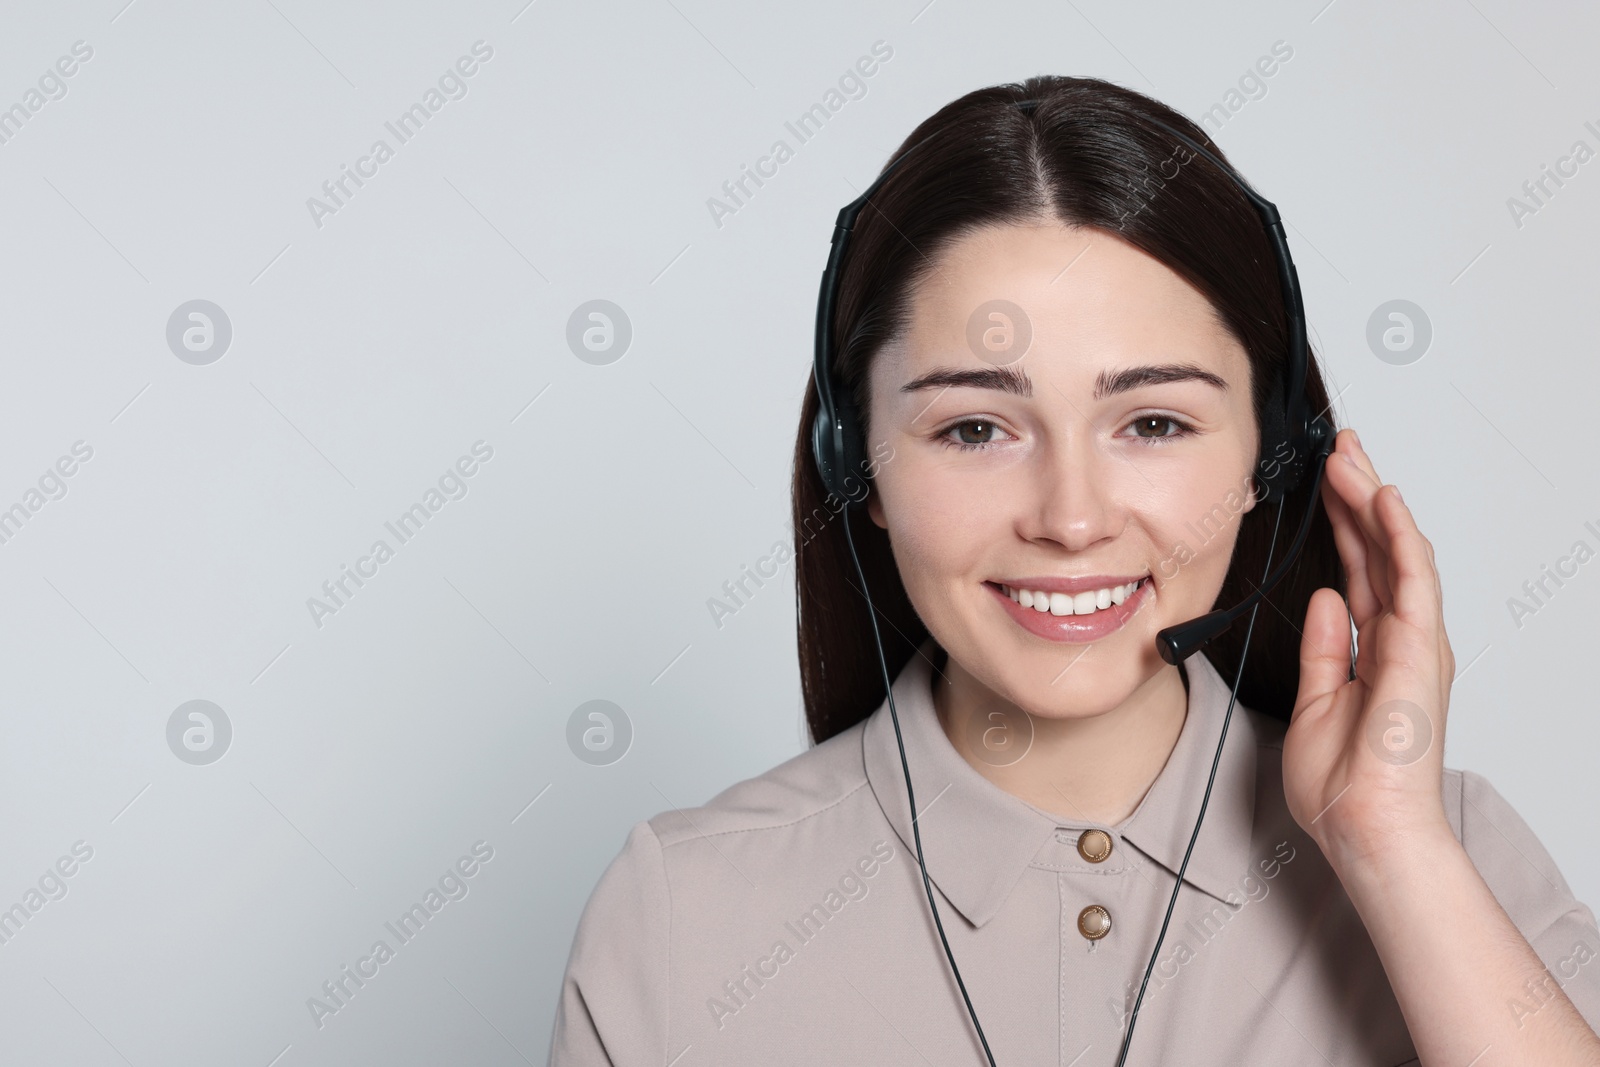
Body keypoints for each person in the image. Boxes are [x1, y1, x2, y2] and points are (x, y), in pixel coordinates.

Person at [546, 75, 1600, 1066]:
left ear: (1267, 452)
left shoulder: (1451, 854)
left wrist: (1389, 849)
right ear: (849, 459)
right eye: (973, 428)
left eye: (1151, 421)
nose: (1072, 516)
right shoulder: (682, 911)